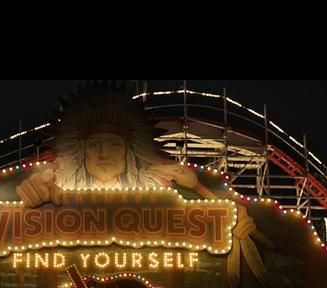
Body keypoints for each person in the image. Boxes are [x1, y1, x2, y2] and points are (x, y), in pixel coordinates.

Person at [15, 81, 209, 207]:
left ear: (129, 152)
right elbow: (41, 184)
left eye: (115, 145)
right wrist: (32, 191)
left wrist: (197, 186)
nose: (104, 153)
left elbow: (209, 200)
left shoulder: (152, 183)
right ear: (81, 151)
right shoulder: (61, 184)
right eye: (94, 145)